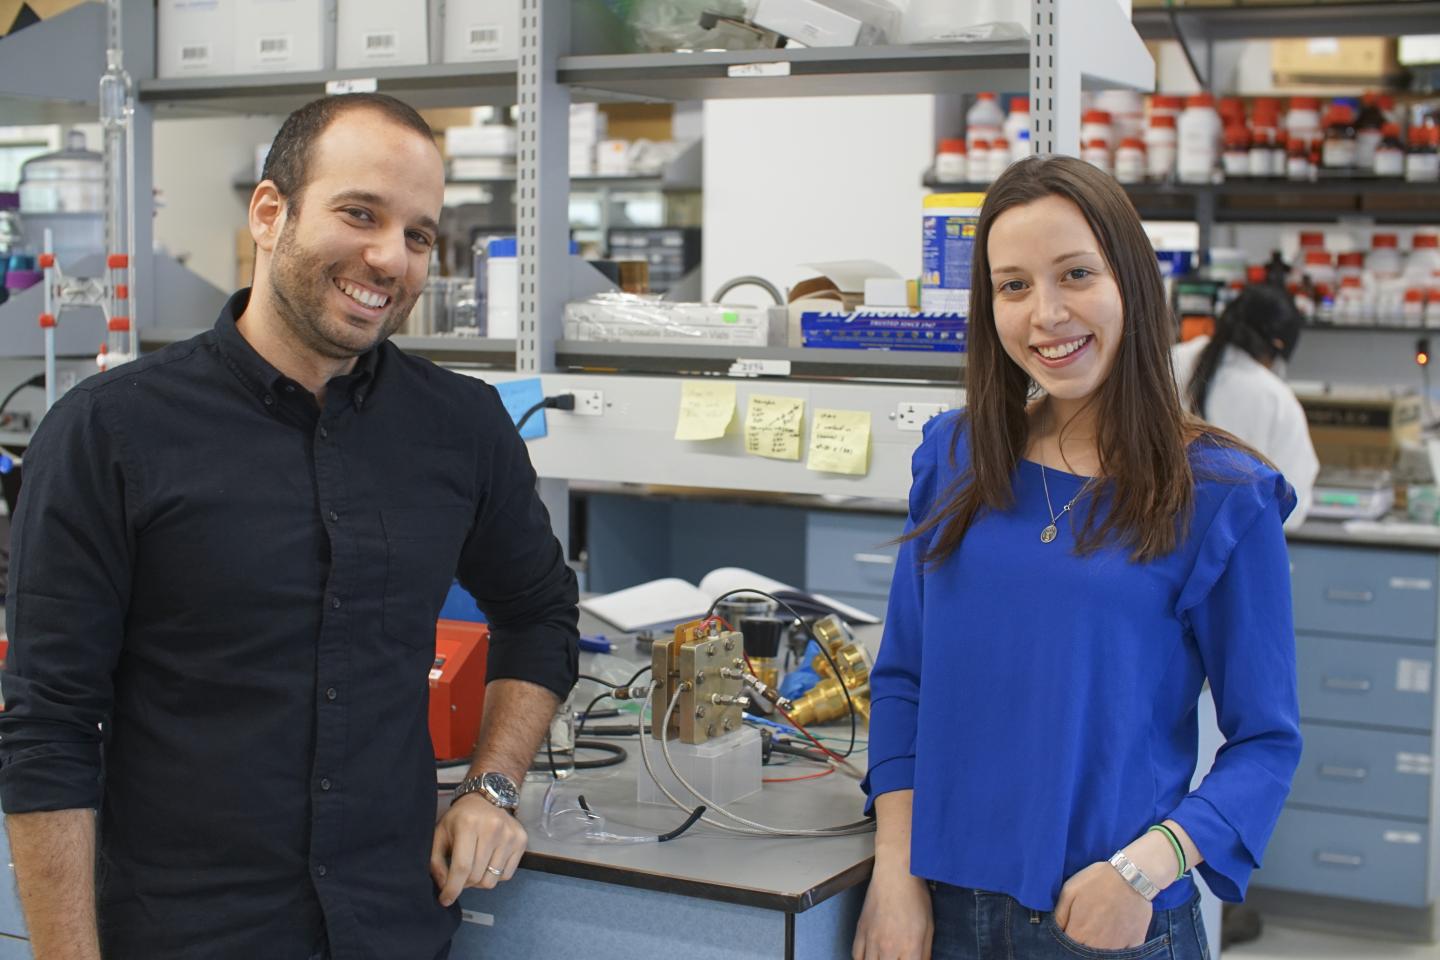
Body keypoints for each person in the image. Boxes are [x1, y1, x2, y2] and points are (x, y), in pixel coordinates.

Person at [0, 94, 579, 960]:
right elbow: (48, 727)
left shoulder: (461, 427)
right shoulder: (108, 434)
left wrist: (491, 787)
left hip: (392, 929)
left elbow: (539, 611)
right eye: (359, 214)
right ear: (270, 214)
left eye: (419, 235)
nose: (389, 258)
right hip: (185, 935)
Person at [852, 156, 1302, 960]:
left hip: (1110, 922)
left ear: (1130, 280)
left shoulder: (1222, 495)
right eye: (1013, 285)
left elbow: (1266, 743)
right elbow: (904, 680)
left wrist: (1142, 870)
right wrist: (895, 871)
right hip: (945, 914)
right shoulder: (954, 460)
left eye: (1075, 274)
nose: (1046, 315)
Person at [1171, 283, 1319, 530]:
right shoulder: (1275, 398)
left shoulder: (1170, 361)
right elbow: (1293, 509)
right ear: (1279, 345)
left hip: (1153, 544)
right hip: (1239, 554)